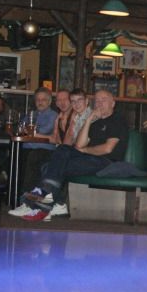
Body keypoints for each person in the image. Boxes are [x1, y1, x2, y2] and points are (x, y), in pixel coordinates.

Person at [15, 89, 129, 221]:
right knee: (60, 152)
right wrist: (89, 120)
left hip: (107, 162)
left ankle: (42, 203)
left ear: (113, 103)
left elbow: (107, 149)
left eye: (104, 100)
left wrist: (85, 150)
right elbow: (79, 145)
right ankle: (56, 204)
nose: (99, 103)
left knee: (50, 166)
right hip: (89, 159)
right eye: (97, 100)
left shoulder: (117, 120)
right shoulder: (95, 121)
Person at [19, 87, 58, 195]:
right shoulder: (31, 114)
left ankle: (27, 193)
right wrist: (27, 130)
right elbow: (21, 128)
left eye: (43, 100)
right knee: (15, 156)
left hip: (44, 149)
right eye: (38, 100)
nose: (40, 102)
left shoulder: (53, 115)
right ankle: (16, 191)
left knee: (33, 157)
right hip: (27, 147)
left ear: (49, 101)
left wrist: (29, 131)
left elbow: (45, 130)